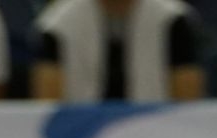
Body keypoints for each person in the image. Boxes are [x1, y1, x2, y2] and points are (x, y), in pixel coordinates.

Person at [31, 0, 204, 102]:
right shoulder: (57, 26)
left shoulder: (173, 20)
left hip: (155, 133)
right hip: (80, 136)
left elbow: (187, 101)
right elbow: (48, 103)